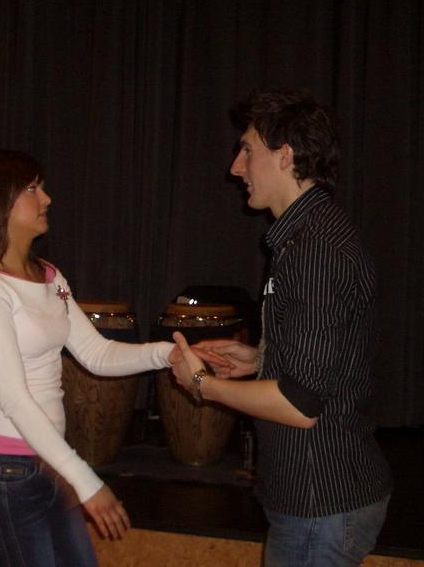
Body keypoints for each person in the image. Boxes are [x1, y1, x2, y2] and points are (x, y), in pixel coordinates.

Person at [169, 89, 393, 566]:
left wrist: (203, 384)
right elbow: (327, 363)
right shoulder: (307, 238)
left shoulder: (315, 250)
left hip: (320, 505)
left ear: (285, 156)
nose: (236, 167)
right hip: (318, 504)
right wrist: (260, 358)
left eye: (247, 150)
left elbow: (300, 403)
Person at [0, 149, 177, 567]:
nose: (47, 198)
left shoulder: (50, 277)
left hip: (49, 464)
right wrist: (86, 481)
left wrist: (168, 353)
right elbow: (15, 400)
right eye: (33, 188)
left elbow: (96, 353)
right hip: (4, 473)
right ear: (0, 201)